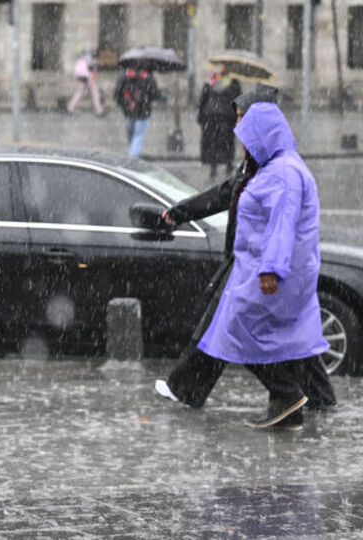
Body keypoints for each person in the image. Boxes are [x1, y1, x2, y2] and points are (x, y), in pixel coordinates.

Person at [156, 99, 334, 430]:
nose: (243, 146)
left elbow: (283, 223)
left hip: (271, 273)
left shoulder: (283, 174)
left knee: (237, 330)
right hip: (259, 269)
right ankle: (291, 406)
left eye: (248, 138)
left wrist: (272, 268)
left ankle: (288, 395)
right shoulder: (274, 167)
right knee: (273, 337)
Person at [197, 65, 241, 181]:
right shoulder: (232, 83)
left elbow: (202, 101)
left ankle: (213, 166)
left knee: (213, 142)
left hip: (211, 118)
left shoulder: (210, 83)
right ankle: (228, 164)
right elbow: (237, 100)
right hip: (227, 117)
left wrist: (201, 117)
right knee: (227, 142)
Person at [113, 67, 162, 158]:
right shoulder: (147, 77)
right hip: (143, 113)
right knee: (138, 136)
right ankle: (133, 157)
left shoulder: (125, 76)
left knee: (132, 137)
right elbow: (155, 94)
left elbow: (117, 95)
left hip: (129, 113)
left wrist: (126, 104)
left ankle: (133, 154)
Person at [66, 48, 104, 116]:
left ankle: (71, 107)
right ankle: (99, 110)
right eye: (93, 51)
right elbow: (92, 70)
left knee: (79, 94)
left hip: (82, 79)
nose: (95, 53)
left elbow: (78, 71)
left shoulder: (81, 60)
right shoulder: (90, 60)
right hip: (89, 79)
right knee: (95, 94)